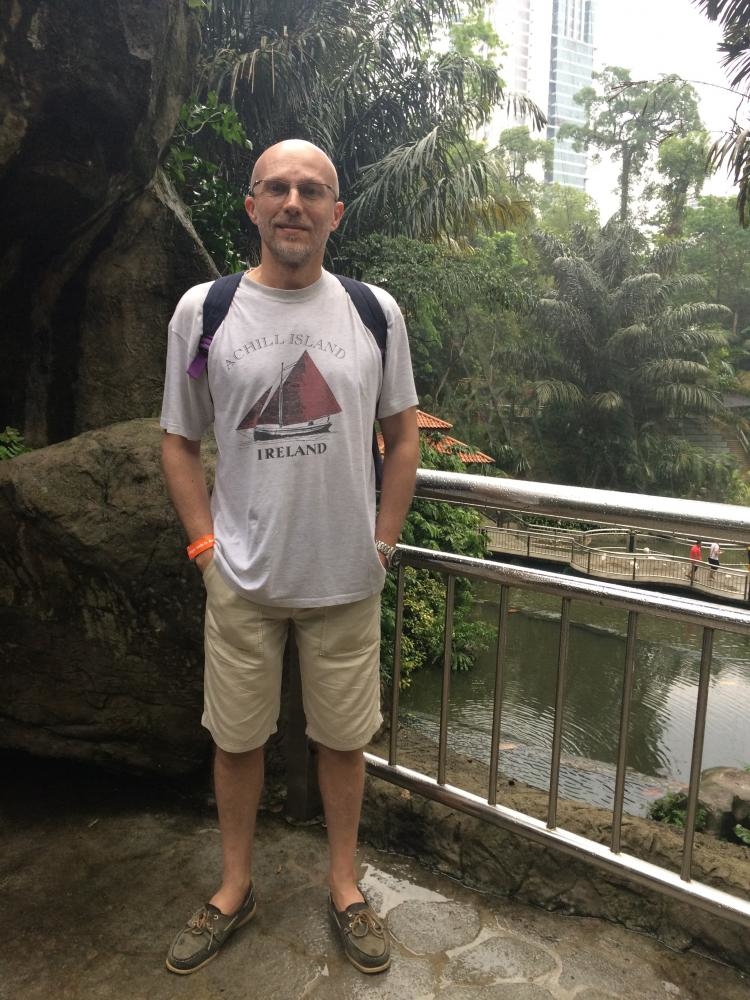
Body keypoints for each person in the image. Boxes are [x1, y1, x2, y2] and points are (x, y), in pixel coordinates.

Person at [159, 139, 420, 977]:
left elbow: (403, 435)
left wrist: (382, 543)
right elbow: (177, 440)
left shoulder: (374, 311)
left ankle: (343, 884)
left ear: (336, 213)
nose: (294, 203)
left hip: (346, 578)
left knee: (343, 743)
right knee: (236, 741)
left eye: (312, 190)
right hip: (240, 578)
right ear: (253, 206)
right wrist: (205, 549)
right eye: (277, 188)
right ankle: (234, 886)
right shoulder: (205, 311)